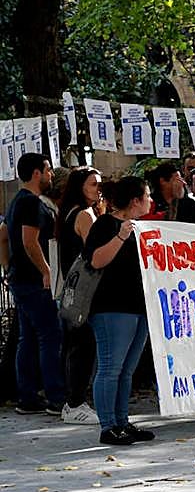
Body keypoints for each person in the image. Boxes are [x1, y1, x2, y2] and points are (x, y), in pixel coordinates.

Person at [84, 176, 155, 446]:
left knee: (127, 370)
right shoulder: (105, 224)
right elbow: (96, 259)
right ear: (135, 200)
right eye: (147, 196)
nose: (150, 200)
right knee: (111, 367)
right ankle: (108, 425)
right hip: (112, 308)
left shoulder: (140, 227)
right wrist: (121, 236)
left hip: (137, 307)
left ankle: (122, 421)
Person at [5, 153, 67, 415]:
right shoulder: (30, 203)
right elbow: (29, 241)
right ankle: (55, 397)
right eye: (48, 170)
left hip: (22, 279)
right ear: (36, 173)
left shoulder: (17, 202)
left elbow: (2, 237)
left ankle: (27, 396)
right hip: (34, 281)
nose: (51, 175)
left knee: (28, 339)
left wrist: (9, 267)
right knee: (50, 336)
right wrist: (46, 271)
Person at [55, 167, 104, 424]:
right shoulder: (84, 215)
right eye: (93, 184)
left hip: (72, 289)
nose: (98, 189)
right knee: (84, 346)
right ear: (80, 187)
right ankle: (75, 402)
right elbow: (95, 249)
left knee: (77, 345)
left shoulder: (69, 213)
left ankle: (74, 400)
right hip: (86, 289)